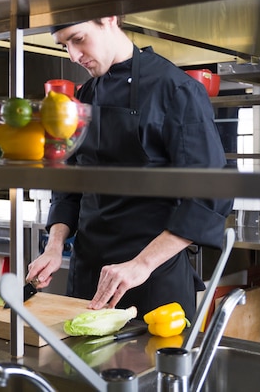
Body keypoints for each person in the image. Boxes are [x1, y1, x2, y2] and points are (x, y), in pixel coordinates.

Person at [26, 16, 233, 319]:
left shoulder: (175, 90)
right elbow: (69, 183)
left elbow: (210, 195)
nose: (73, 55)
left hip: (151, 280)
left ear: (109, 19)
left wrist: (142, 265)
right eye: (65, 45)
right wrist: (54, 246)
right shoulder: (86, 96)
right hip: (88, 276)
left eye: (78, 39)